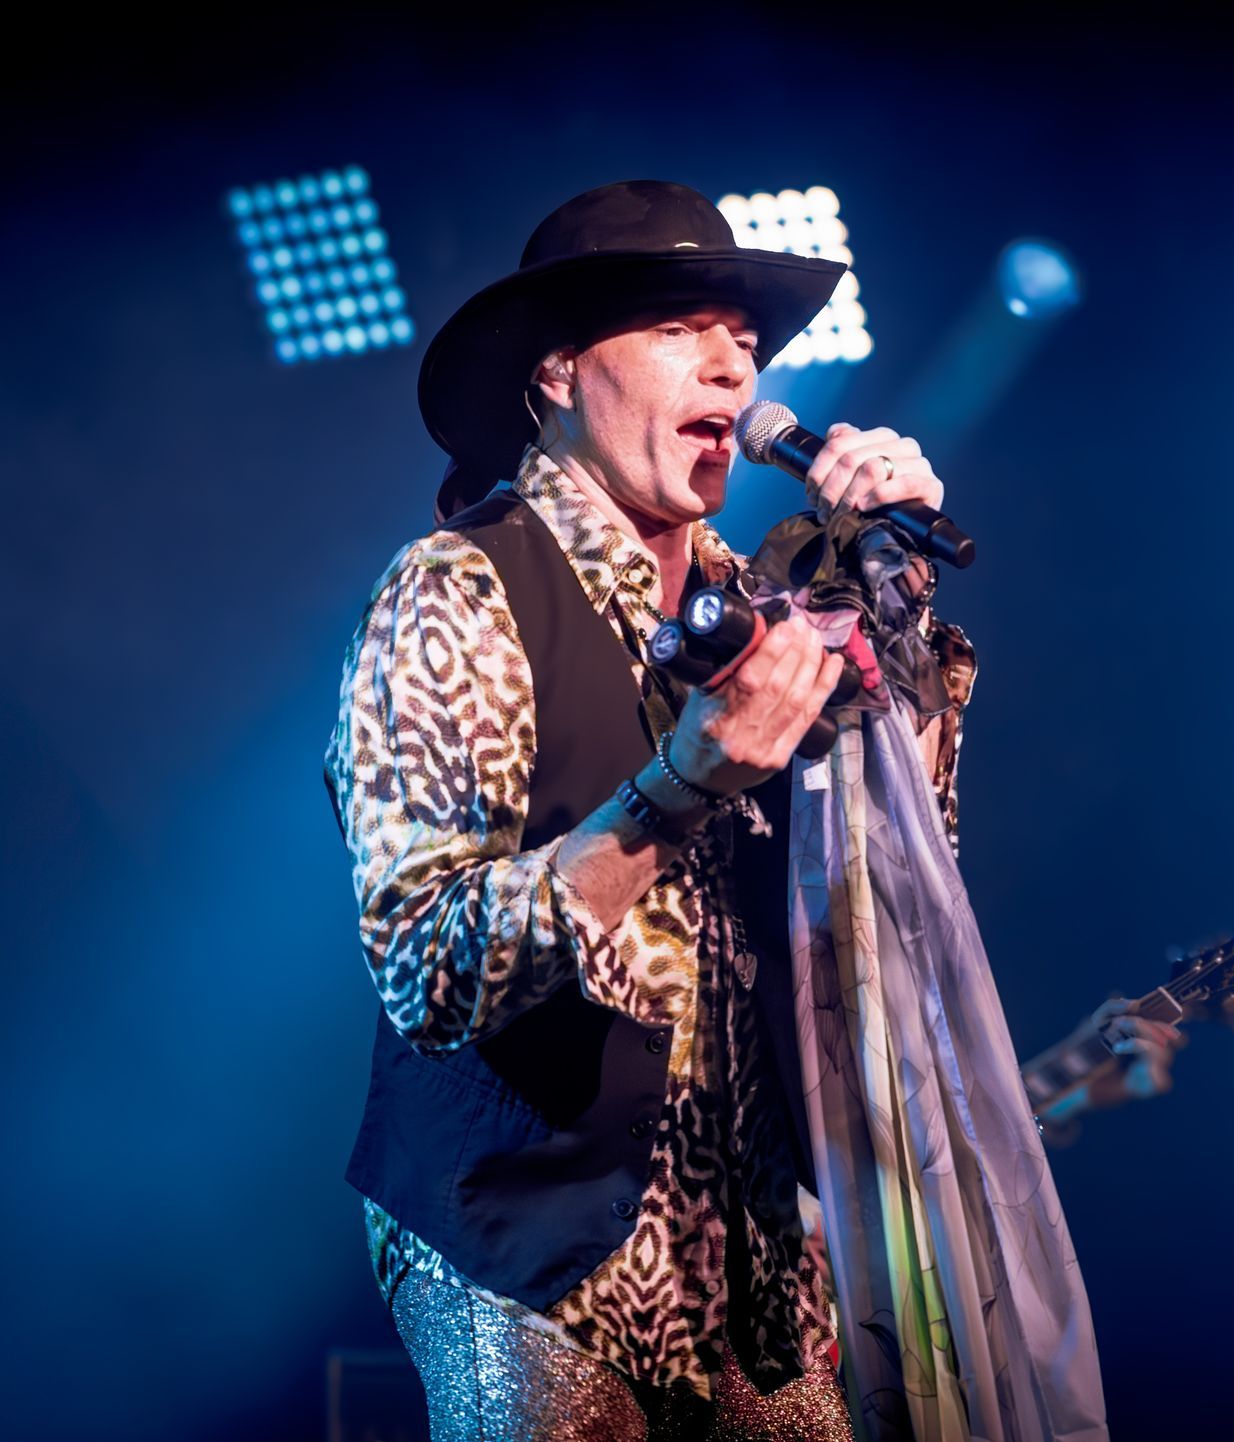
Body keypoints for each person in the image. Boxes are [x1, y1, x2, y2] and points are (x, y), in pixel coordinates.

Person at [324, 180, 1177, 1442]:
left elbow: (905, 870)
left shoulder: (769, 604)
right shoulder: (459, 589)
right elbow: (430, 970)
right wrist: (679, 786)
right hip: (529, 1236)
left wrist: (890, 597)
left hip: (759, 1258)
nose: (734, 357)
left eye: (744, 334)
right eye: (681, 325)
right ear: (560, 370)